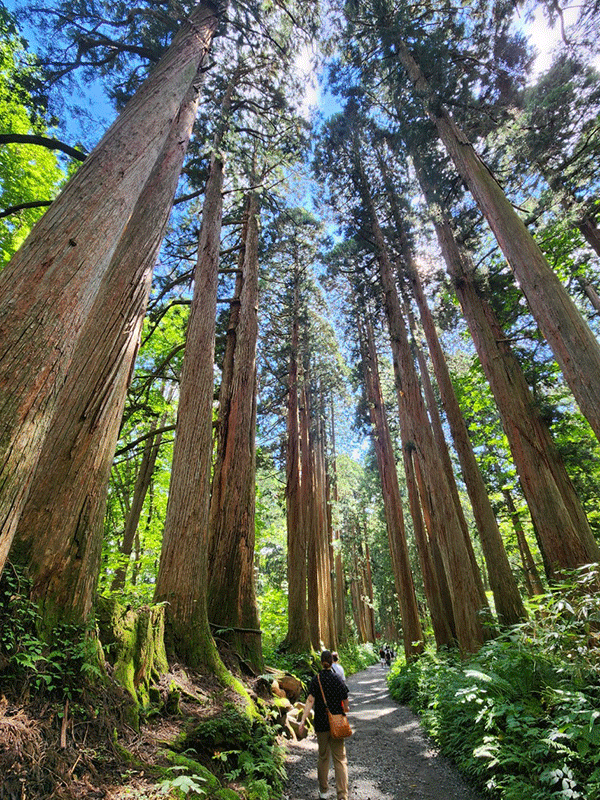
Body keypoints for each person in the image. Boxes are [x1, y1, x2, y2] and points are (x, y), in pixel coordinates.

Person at [298, 650, 349, 800]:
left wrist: (302, 721)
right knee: (340, 759)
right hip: (337, 724)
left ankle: (324, 791)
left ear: (321, 662)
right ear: (332, 661)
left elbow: (309, 701)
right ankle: (342, 795)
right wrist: (344, 709)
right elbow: (346, 703)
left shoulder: (316, 679)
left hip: (321, 724)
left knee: (323, 757)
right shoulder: (338, 679)